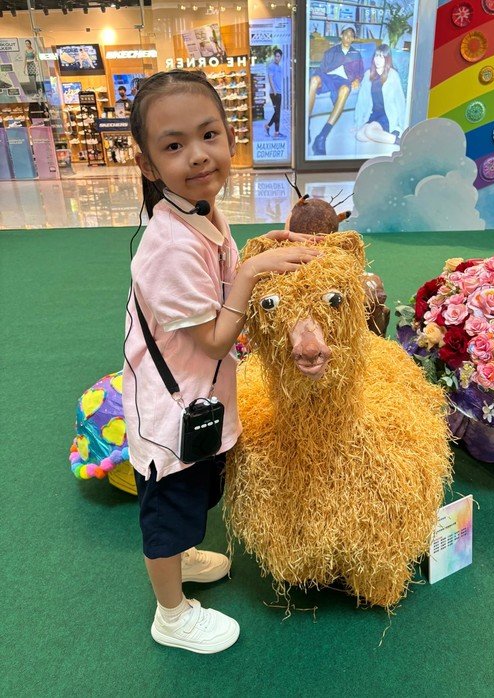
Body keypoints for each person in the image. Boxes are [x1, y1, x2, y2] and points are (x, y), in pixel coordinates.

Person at [124, 69, 321, 654]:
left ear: (231, 137)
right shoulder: (168, 245)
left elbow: (226, 280)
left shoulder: (203, 213)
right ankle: (171, 614)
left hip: (199, 393)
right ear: (147, 165)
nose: (198, 155)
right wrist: (255, 272)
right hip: (171, 406)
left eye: (209, 135)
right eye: (174, 145)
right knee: (168, 509)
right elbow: (214, 337)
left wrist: (265, 252)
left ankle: (183, 557)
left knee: (196, 491)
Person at [309, 26, 364, 155]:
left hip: (343, 81)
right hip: (327, 77)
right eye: (346, 35)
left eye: (351, 36)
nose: (348, 38)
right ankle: (306, 125)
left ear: (353, 39)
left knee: (345, 90)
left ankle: (322, 136)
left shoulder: (356, 54)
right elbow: (321, 70)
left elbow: (360, 72)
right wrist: (318, 77)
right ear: (341, 35)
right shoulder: (331, 51)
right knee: (314, 80)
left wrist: (357, 79)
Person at [354, 44, 406, 146]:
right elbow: (361, 100)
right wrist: (358, 122)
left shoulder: (393, 75)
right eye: (376, 56)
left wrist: (403, 124)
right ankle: (387, 135)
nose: (377, 60)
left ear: (387, 59)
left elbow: (400, 100)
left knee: (369, 131)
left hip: (387, 114)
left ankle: (401, 141)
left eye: (381, 57)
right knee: (360, 135)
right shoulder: (368, 75)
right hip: (373, 113)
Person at [264, 48, 284, 138]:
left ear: (281, 57)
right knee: (277, 112)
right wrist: (274, 90)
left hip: (279, 92)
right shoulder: (271, 66)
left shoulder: (279, 67)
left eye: (278, 56)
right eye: (276, 56)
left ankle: (276, 132)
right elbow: (270, 79)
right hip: (274, 93)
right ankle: (269, 127)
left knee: (277, 113)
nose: (277, 58)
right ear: (274, 56)